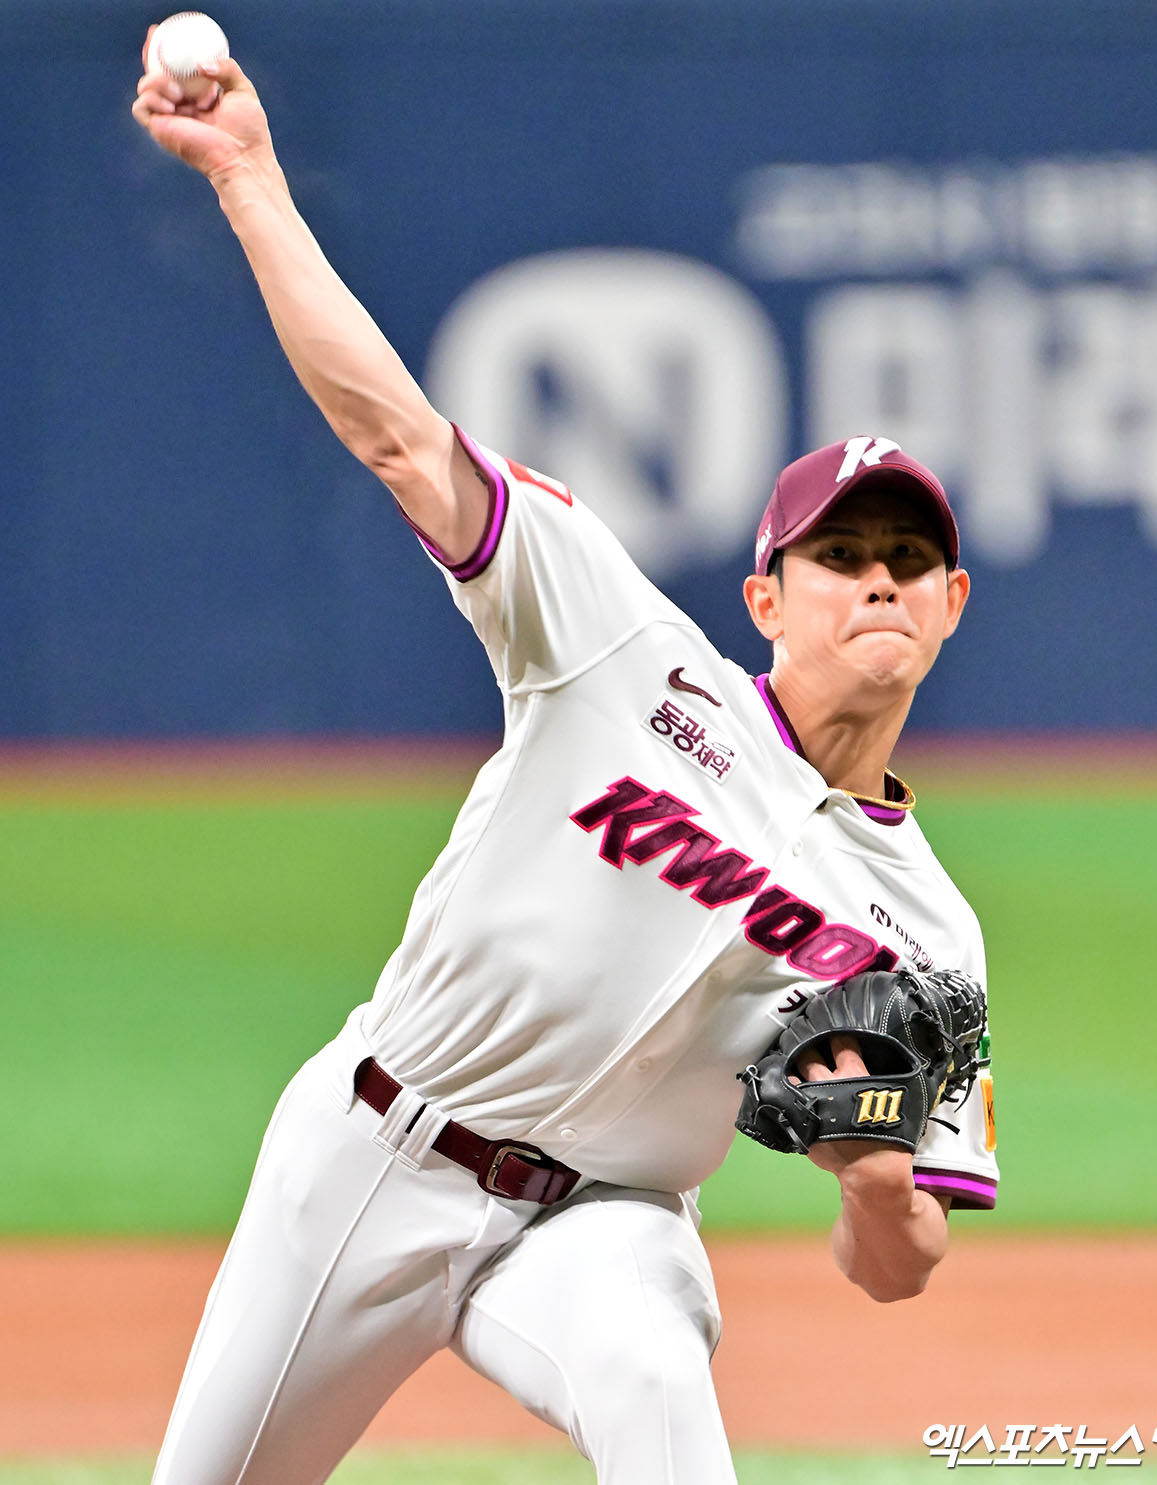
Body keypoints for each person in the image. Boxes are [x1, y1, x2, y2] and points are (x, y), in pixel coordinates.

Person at [132, 33, 998, 1485]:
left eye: (910, 561)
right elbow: (403, 442)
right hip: (376, 1156)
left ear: (952, 603)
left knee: (658, 1383)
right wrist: (249, 177)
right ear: (765, 597)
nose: (879, 582)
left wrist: (874, 1180)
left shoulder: (931, 934)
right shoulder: (619, 644)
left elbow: (900, 1266)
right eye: (840, 555)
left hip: (605, 1223)